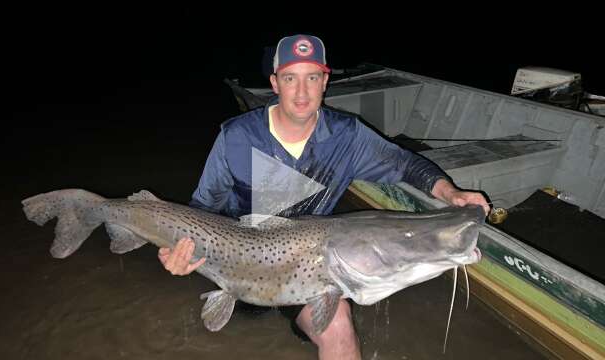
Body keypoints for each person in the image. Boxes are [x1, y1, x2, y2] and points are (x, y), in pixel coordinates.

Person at [158, 34, 490, 360]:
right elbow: (201, 210)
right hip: (236, 267)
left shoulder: (347, 135)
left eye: (312, 78)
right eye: (291, 78)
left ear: (324, 81)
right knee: (245, 320)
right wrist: (180, 252)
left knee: (339, 326)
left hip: (315, 272)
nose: (302, 92)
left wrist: (451, 193)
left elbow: (404, 163)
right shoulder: (237, 137)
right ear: (275, 83)